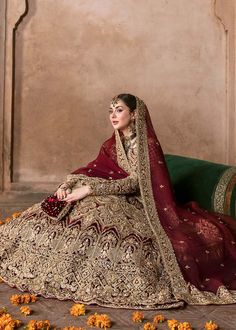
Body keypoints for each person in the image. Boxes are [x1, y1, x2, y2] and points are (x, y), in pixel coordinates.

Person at [0, 93, 236, 310]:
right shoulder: (112, 144)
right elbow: (93, 169)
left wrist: (90, 190)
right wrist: (68, 185)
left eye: (119, 110)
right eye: (111, 110)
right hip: (107, 193)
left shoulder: (148, 147)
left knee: (100, 219)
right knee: (66, 209)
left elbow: (134, 183)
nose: (113, 115)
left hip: (139, 202)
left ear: (134, 114)